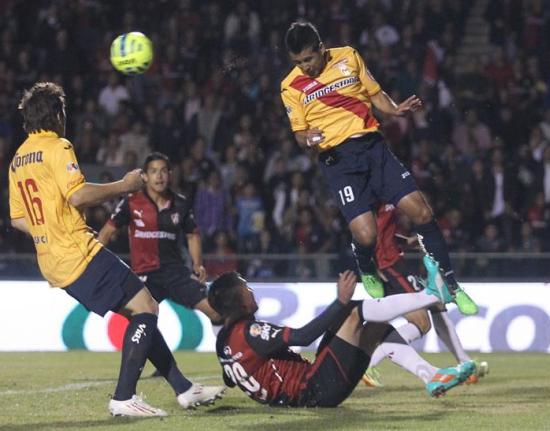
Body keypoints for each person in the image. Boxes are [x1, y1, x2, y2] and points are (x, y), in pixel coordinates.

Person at [9, 82, 222, 418]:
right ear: (57, 114)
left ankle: (184, 388)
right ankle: (124, 397)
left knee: (140, 312)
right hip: (77, 252)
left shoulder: (18, 160)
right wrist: (124, 185)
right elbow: (77, 195)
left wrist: (51, 228)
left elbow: (18, 218)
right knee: (147, 308)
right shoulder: (57, 146)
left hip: (52, 260)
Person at [280, 21, 477, 315]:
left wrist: (393, 108)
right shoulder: (289, 86)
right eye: (297, 62)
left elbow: (374, 93)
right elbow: (298, 133)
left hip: (373, 148)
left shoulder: (348, 56)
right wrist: (305, 137)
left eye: (308, 58)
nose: (305, 66)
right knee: (367, 236)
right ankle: (365, 264)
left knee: (421, 211)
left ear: (321, 48)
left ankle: (450, 283)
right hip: (338, 161)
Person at [209, 267, 475, 407]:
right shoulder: (251, 332)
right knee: (351, 311)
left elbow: (230, 380)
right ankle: (431, 295)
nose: (251, 290)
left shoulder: (224, 344)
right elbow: (303, 336)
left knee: (375, 328)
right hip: (316, 389)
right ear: (238, 301)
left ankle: (430, 375)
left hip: (310, 391)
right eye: (245, 288)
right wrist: (339, 301)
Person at [362, 203, 488, 387]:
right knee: (421, 323)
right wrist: (370, 267)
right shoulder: (370, 198)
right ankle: (369, 364)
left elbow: (384, 234)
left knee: (437, 302)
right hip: (388, 267)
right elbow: (363, 233)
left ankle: (464, 361)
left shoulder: (384, 194)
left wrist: (405, 241)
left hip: (397, 263)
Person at [98, 152, 222, 326]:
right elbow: (105, 233)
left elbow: (192, 235)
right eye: (154, 171)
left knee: (216, 312)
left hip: (175, 273)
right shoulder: (131, 203)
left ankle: (228, 352)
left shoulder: (180, 204)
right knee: (138, 322)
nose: (159, 176)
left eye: (163, 171)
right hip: (143, 276)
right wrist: (96, 266)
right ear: (145, 177)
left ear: (170, 175)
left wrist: (197, 264)